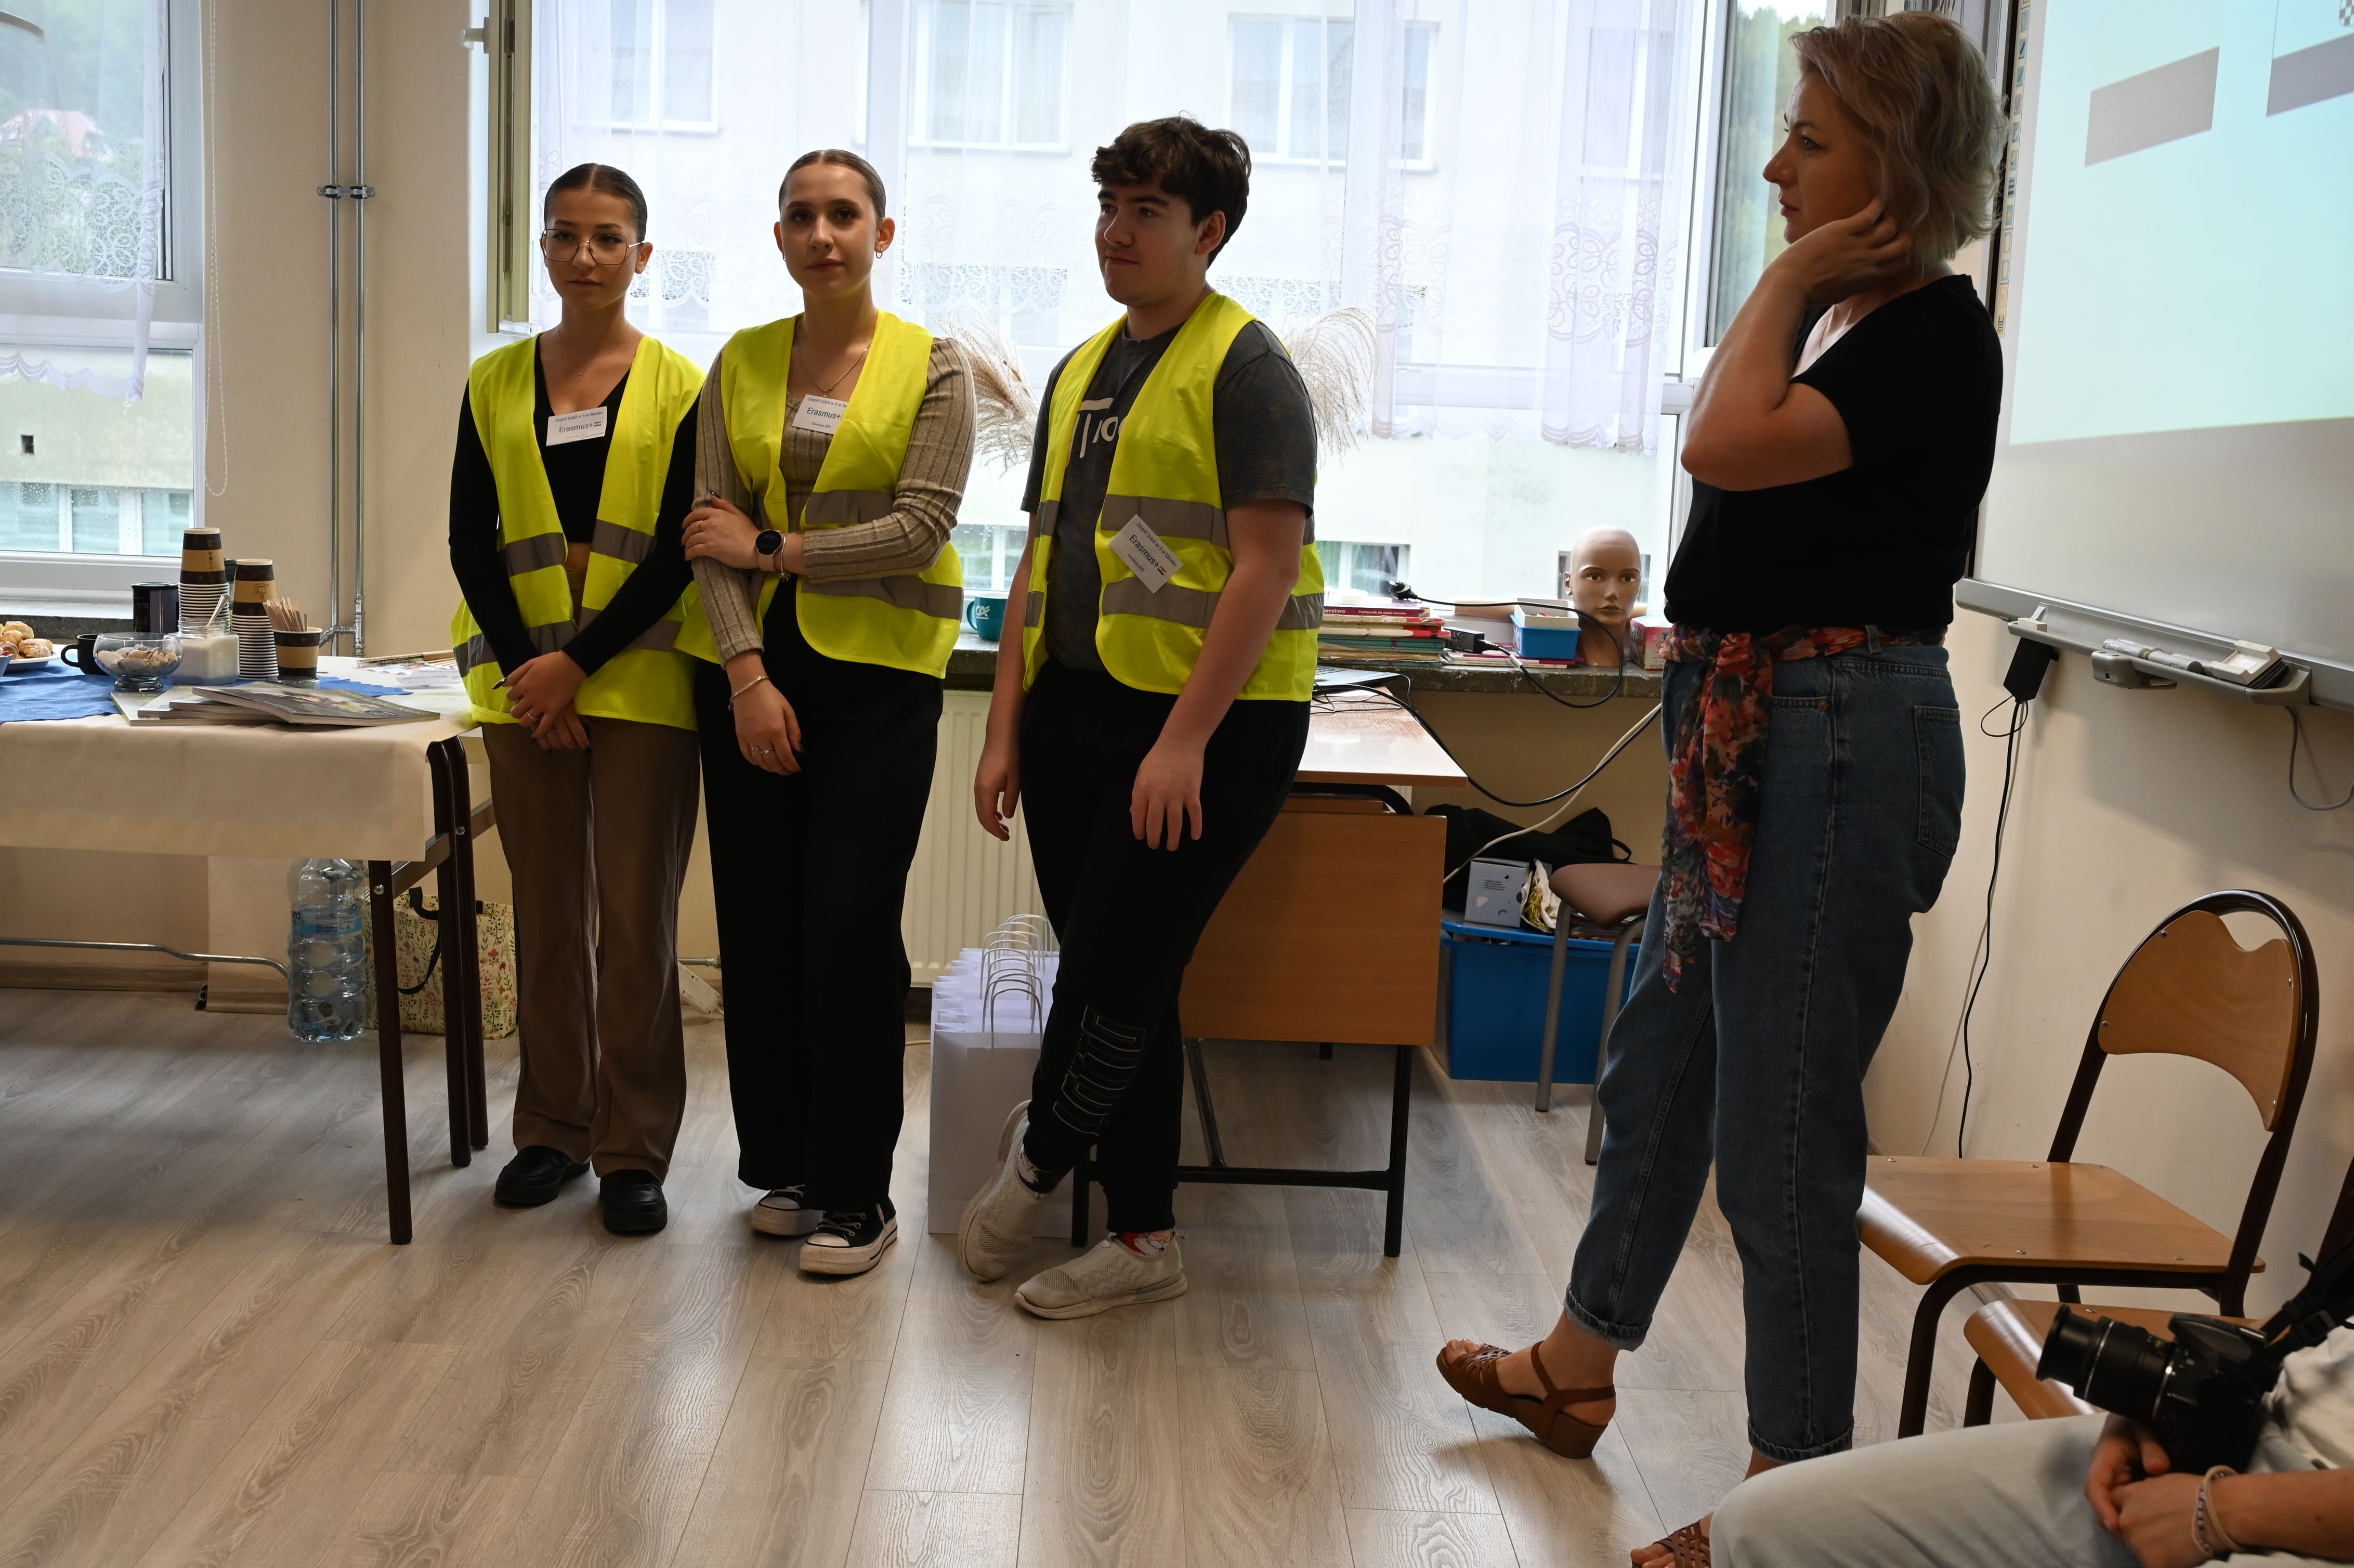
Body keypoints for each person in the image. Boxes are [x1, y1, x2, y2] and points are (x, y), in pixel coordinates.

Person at [1430, 14, 2006, 1562]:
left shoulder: (1927, 336)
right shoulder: (1847, 325)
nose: (1771, 169)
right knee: (1661, 1064)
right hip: (1760, 734)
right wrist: (1804, 281)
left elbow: (1723, 443)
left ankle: (1788, 1508)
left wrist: (1792, 272)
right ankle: (1576, 1366)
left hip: (1836, 739)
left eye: (1808, 142)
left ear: (1896, 167)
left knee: (1779, 1140)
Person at [956, 116, 1322, 1319]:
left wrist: (1183, 741)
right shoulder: (1078, 370)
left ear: (1207, 232)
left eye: (1146, 211)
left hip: (1208, 723)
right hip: (1076, 705)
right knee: (1124, 972)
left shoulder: (1247, 368)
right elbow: (1037, 561)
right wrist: (1003, 727)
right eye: (1108, 205)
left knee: (1113, 973)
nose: (1116, 230)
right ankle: (1144, 1233)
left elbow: (1265, 567)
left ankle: (1036, 1165)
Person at [675, 148, 973, 1277]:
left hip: (879, 681)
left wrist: (775, 549)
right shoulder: (741, 360)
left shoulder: (930, 365)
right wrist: (746, 674)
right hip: (754, 676)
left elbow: (919, 526)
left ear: (881, 234)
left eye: (843, 214)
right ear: (779, 236)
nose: (821, 234)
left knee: (847, 923)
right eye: (800, 215)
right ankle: (790, 1166)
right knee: (762, 926)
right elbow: (705, 531)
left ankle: (859, 1192)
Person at [448, 163, 704, 1237]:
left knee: (637, 925)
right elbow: (471, 539)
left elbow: (680, 552)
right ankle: (552, 1127)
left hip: (640, 681)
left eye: (606, 238)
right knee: (548, 915)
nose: (583, 255)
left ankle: (632, 1148)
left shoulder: (684, 386)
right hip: (523, 692)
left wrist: (578, 663)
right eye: (564, 235)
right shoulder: (494, 381)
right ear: (543, 249)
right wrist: (531, 672)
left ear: (641, 256)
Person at [1712, 1326, 2354, 1567]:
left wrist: (2227, 1510)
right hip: (2262, 1430)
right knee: (1761, 1527)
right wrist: (2182, 1403)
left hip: (2305, 1517)